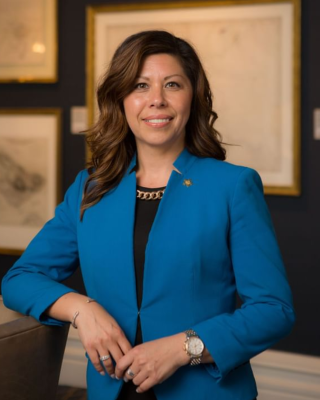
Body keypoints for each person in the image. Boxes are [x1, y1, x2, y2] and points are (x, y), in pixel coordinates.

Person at [2, 30, 295, 400]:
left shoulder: (232, 186)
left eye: (172, 84)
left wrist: (180, 349)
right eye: (140, 85)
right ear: (121, 99)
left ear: (193, 97)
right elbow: (20, 278)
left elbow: (273, 310)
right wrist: (84, 309)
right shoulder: (89, 189)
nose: (156, 100)